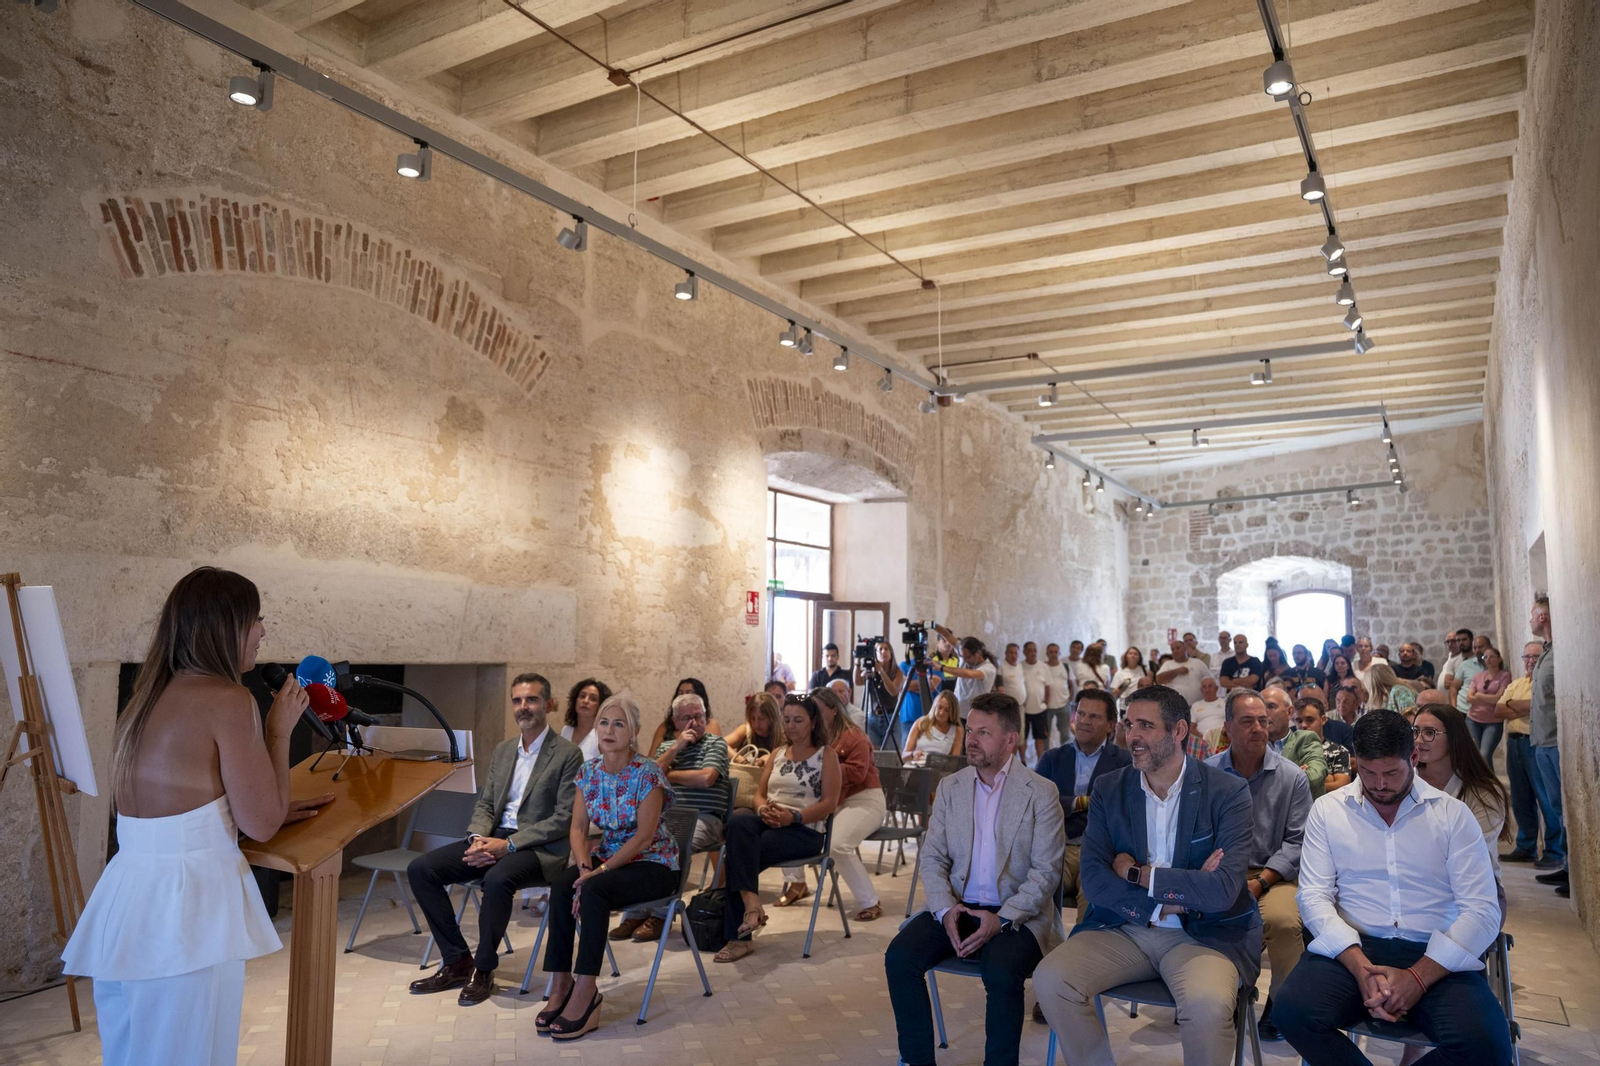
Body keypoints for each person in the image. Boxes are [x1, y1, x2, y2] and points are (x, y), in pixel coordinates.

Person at [62, 568, 332, 1066]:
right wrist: (279, 730)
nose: (262, 631)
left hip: (127, 900)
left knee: (131, 1052)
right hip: (186, 911)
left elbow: (186, 806)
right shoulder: (230, 700)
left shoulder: (146, 698)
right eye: (255, 619)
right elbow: (261, 823)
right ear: (225, 626)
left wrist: (244, 810)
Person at [1035, 685, 1260, 1066]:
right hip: (1125, 927)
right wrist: (1171, 902)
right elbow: (1095, 879)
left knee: (1207, 1006)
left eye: (1145, 725)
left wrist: (1137, 873)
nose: (1132, 736)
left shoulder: (1227, 792)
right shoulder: (1110, 788)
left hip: (1204, 936)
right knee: (1051, 980)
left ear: (1179, 731)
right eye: (1128, 724)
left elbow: (1222, 890)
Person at [1274, 711, 1512, 1066]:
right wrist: (1359, 966)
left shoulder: (1452, 815)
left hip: (1434, 951)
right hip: (1355, 946)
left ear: (1413, 758)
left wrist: (1417, 977)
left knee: (1488, 1044)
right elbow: (1313, 896)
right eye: (1368, 772)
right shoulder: (1328, 811)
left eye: (1391, 773)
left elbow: (1482, 910)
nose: (1380, 784)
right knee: (1292, 1012)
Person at [884, 692, 1066, 1066]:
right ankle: (917, 1061)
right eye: (970, 730)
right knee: (900, 957)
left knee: (999, 970)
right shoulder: (951, 787)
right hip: (958, 906)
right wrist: (944, 908)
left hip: (1017, 915)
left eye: (984, 732)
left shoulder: (1040, 792)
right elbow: (932, 857)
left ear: (1010, 739)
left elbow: (1046, 873)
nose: (971, 739)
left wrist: (1002, 918)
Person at [408, 672, 584, 1003]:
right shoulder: (504, 751)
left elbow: (564, 818)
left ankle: (484, 969)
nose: (523, 706)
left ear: (548, 704)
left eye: (531, 699)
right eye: (517, 700)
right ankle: (457, 960)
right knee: (421, 869)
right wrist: (478, 838)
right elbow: (486, 803)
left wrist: (509, 845)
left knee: (497, 878)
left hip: (538, 848)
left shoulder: (567, 753)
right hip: (494, 838)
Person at [540, 693, 680, 1040]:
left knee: (595, 890)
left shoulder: (647, 773)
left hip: (654, 863)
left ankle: (587, 991)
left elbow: (644, 838)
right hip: (606, 858)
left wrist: (597, 874)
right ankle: (561, 982)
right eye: (604, 722)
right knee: (562, 885)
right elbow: (578, 829)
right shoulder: (588, 771)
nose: (608, 730)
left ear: (634, 732)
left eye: (619, 724)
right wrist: (584, 868)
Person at [1206, 690, 1312, 1041]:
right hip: (1220, 872)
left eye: (1263, 721)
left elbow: (1298, 842)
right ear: (1227, 728)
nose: (1258, 728)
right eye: (1247, 721)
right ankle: (1218, 997)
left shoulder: (1291, 777)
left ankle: (1281, 1005)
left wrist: (1261, 882)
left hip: (1274, 875)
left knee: (1283, 922)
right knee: (1198, 917)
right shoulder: (1206, 774)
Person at [714, 692, 842, 962]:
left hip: (804, 830)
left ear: (813, 723)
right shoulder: (778, 753)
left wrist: (793, 818)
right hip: (770, 821)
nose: (791, 726)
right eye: (787, 720)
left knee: (741, 852)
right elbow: (759, 795)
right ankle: (752, 907)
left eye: (798, 720)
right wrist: (763, 810)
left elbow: (830, 803)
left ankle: (739, 939)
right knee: (738, 820)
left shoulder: (826, 755)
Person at [610, 692, 729, 943]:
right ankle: (635, 912)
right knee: (635, 843)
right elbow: (648, 777)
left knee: (672, 847)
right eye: (687, 718)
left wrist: (671, 775)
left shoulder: (715, 744)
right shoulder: (667, 748)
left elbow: (706, 778)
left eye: (699, 717)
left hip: (704, 817)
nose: (694, 723)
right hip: (665, 817)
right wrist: (676, 747)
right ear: (675, 722)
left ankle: (660, 914)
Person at [774, 686, 887, 920]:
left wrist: (822, 769)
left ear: (834, 710)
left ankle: (870, 901)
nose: (813, 715)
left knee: (837, 844)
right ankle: (796, 883)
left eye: (817, 709)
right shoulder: (814, 740)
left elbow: (858, 772)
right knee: (784, 815)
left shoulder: (854, 736)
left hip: (863, 800)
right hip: (833, 802)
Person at [1034, 689, 1131, 918]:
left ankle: (1082, 940)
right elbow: (1039, 805)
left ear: (1110, 725)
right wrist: (1085, 802)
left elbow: (1119, 810)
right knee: (1038, 892)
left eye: (1094, 716)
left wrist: (1065, 803)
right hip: (1058, 847)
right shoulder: (1052, 759)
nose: (1085, 721)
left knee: (1092, 901)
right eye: (1081, 713)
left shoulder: (1125, 763)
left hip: (1100, 851)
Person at [1413, 704, 1510, 912]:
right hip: (1416, 883)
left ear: (1454, 738)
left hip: (1473, 889)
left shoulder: (1483, 793)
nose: (1419, 740)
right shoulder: (1407, 780)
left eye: (1429, 733)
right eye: (1415, 731)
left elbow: (1471, 855)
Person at [1495, 641, 1562, 868]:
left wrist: (1513, 704)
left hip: (1535, 744)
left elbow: (1538, 705)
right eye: (1527, 657)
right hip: (1514, 743)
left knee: (1546, 798)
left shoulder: (1544, 682)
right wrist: (1522, 706)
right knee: (1520, 798)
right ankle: (1526, 846)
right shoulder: (1517, 683)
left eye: (1535, 656)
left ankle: (1554, 851)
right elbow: (1499, 710)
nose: (1530, 661)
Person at [1525, 596, 1568, 897]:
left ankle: (1571, 868)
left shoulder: (1561, 651)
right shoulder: (1546, 652)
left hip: (1556, 741)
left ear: (1543, 617)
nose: (1530, 620)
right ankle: (1566, 864)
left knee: (1563, 807)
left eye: (1532, 615)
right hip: (1542, 741)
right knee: (1555, 805)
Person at [1261, 684, 1328, 797]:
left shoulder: (1305, 739)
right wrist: (1297, 772)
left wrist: (1263, 780)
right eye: (1261, 708)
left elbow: (1315, 777)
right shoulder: (1252, 744)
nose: (1265, 713)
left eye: (1271, 706)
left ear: (1289, 712)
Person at [645, 678, 722, 753]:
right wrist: (675, 748)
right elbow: (652, 759)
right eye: (680, 693)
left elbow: (715, 752)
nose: (684, 697)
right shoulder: (664, 728)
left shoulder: (711, 726)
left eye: (689, 693)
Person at [1464, 647, 1511, 765]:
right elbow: (1469, 698)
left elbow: (1498, 698)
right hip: (1473, 719)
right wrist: (1489, 699)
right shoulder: (1478, 677)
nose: (1488, 659)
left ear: (1499, 659)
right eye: (1485, 657)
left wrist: (1479, 695)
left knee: (1485, 754)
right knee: (1475, 754)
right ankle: (1485, 777)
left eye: (1492, 656)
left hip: (1493, 721)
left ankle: (1488, 777)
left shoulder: (1504, 676)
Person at [1296, 696, 1353, 791]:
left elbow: (1342, 787)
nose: (1304, 725)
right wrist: (1328, 778)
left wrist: (1307, 780)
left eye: (1310, 720)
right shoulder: (1286, 748)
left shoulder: (1339, 751)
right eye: (1299, 721)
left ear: (1323, 719)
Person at [902, 689, 965, 760]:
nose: (941, 712)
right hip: (917, 764)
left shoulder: (957, 730)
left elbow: (954, 761)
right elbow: (904, 755)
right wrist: (913, 754)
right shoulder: (921, 722)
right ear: (935, 706)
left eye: (947, 710)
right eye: (939, 707)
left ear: (952, 712)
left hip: (940, 766)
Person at [560, 677, 612, 761]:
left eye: (593, 698)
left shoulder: (602, 735)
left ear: (601, 705)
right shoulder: (566, 730)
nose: (585, 701)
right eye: (582, 696)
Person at [948, 636, 999, 719]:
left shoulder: (989, 668)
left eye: (968, 657)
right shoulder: (965, 658)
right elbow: (947, 635)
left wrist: (941, 667)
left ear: (978, 653)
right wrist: (934, 628)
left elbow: (970, 674)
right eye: (962, 657)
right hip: (956, 712)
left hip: (972, 716)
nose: (965, 660)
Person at [1155, 636, 1212, 708]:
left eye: (1178, 648)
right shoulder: (1168, 664)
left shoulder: (1198, 663)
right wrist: (1176, 671)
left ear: (1185, 649)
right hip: (1176, 707)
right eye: (1173, 649)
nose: (1175, 651)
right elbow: (1159, 679)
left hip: (1198, 706)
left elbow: (1209, 680)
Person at [725, 690, 782, 758]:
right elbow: (720, 744)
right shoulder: (745, 730)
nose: (756, 724)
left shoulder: (782, 737)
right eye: (753, 718)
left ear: (772, 717)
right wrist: (742, 760)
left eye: (761, 719)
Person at [1021, 641, 1052, 760]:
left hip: (1040, 710)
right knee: (1022, 738)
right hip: (1024, 710)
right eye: (1029, 650)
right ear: (1024, 652)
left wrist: (1046, 703)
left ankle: (1040, 763)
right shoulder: (1019, 666)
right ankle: (1023, 762)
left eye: (1034, 650)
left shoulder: (1043, 667)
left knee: (1040, 738)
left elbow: (1047, 686)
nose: (1032, 653)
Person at [1042, 642, 1074, 751]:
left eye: (1056, 652)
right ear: (1047, 653)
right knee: (1045, 735)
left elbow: (1071, 684)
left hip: (1064, 705)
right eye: (1051, 652)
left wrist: (1070, 698)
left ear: (1059, 653)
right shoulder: (1042, 667)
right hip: (1046, 707)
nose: (1053, 654)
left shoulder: (1066, 667)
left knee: (1065, 734)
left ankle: (1065, 756)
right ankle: (1046, 756)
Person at [1189, 674, 1226, 741]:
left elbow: (1231, 723)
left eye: (1210, 686)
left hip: (1222, 738)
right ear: (1201, 690)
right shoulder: (1195, 706)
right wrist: (1204, 738)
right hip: (1201, 740)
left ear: (1216, 688)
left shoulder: (1225, 703)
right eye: (1204, 687)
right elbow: (1191, 728)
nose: (1207, 690)